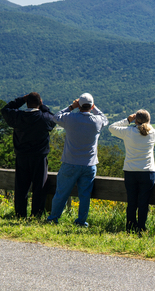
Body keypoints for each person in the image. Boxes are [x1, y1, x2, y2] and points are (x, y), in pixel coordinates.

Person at [45, 93, 108, 227]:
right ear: (91, 106)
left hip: (70, 162)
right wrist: (94, 108)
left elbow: (56, 117)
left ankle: (53, 218)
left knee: (62, 192)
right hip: (89, 164)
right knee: (85, 195)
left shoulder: (70, 118)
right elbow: (105, 119)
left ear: (79, 105)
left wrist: (71, 106)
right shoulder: (97, 121)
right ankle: (81, 221)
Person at [0, 92, 56, 218]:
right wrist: (43, 106)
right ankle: (36, 214)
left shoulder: (18, 117)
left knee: (21, 187)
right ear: (39, 103)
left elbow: (5, 109)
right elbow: (53, 117)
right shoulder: (44, 118)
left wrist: (21, 100)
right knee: (39, 187)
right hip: (39, 157)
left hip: (22, 156)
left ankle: (20, 214)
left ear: (27, 103)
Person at [108, 109, 155, 234]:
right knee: (143, 202)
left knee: (132, 201)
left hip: (130, 171)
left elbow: (111, 127)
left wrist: (128, 120)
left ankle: (130, 227)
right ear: (148, 120)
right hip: (147, 172)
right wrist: (146, 122)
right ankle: (141, 228)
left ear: (136, 120)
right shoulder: (152, 133)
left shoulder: (128, 132)